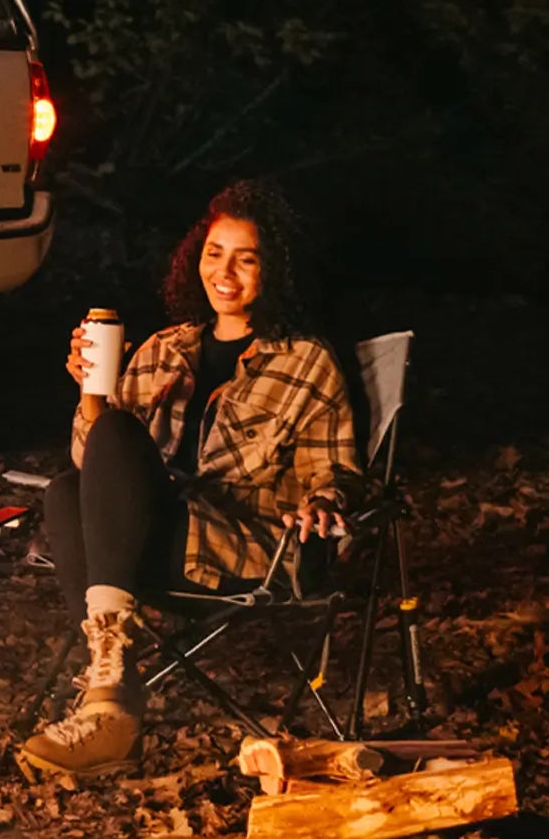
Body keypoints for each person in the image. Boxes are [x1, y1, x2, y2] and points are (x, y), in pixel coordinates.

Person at [22, 180, 360, 777]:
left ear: (274, 270)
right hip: (142, 541)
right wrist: (91, 395)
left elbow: (331, 471)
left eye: (245, 258)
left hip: (243, 547)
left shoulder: (306, 361)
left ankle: (110, 709)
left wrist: (325, 502)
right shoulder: (161, 349)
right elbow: (97, 464)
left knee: (106, 456)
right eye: (213, 252)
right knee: (66, 489)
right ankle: (112, 701)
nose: (224, 271)